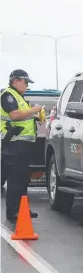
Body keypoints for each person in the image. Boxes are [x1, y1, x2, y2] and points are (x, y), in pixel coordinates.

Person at [1, 70, 42, 222]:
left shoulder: (19, 96)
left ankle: (22, 209)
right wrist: (33, 110)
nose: (26, 86)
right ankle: (13, 212)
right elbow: (14, 115)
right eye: (25, 83)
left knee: (23, 179)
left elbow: (22, 116)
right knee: (15, 179)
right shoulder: (8, 95)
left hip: (22, 144)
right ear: (16, 81)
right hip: (14, 143)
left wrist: (35, 116)